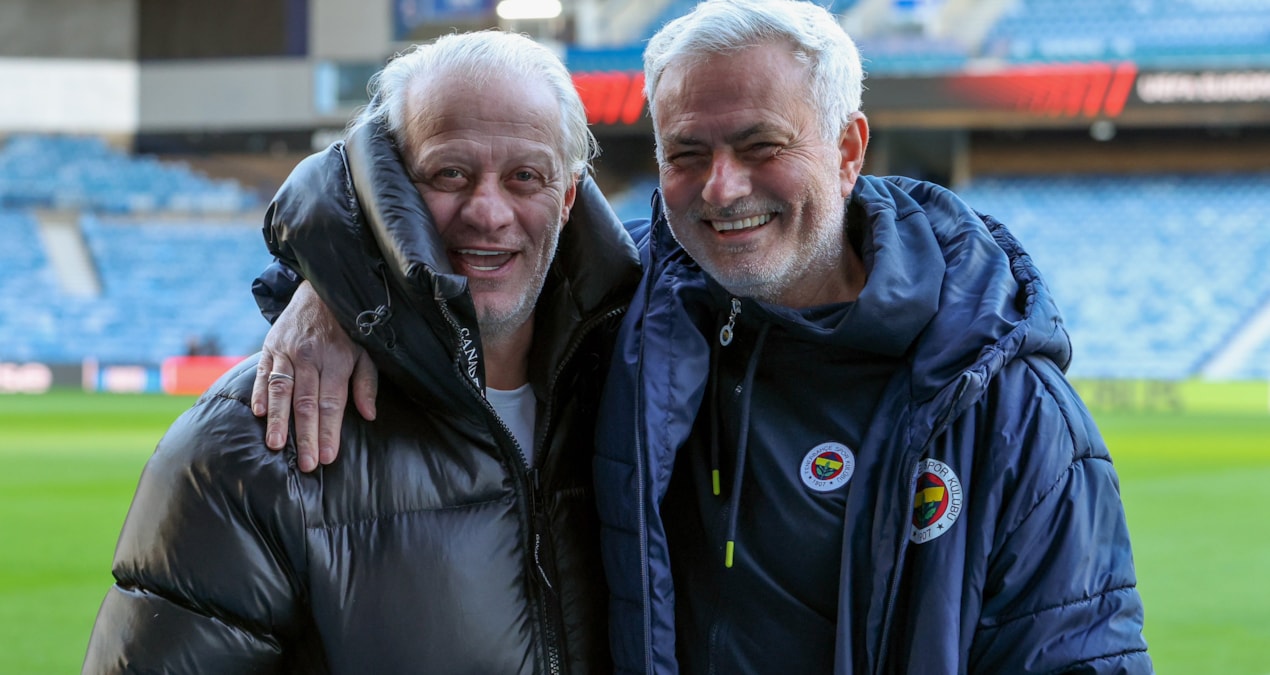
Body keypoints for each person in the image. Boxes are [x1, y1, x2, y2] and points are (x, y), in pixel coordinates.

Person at [253, 1, 1153, 672]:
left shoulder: (1001, 401)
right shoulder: (618, 312)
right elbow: (460, 237)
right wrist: (337, 294)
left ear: (848, 149)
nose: (721, 188)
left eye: (761, 146)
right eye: (686, 153)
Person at [84, 30, 640, 673]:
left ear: (568, 198)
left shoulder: (645, 385)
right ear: (391, 191)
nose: (488, 212)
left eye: (525, 178)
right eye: (449, 173)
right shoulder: (250, 442)